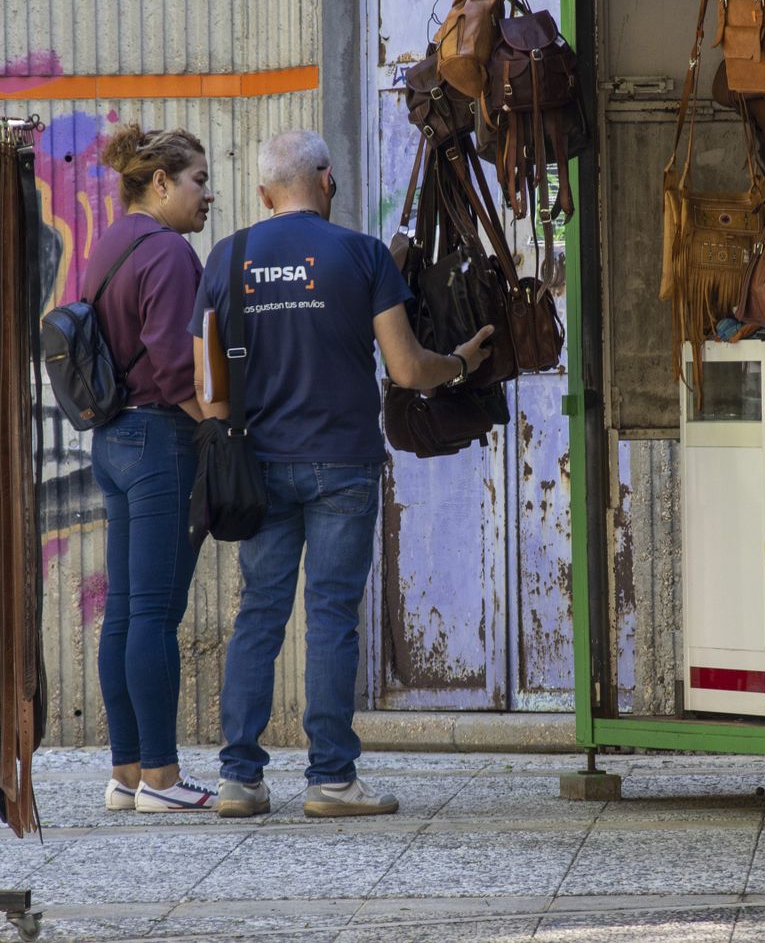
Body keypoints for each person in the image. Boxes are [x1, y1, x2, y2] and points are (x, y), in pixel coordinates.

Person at [190, 129, 493, 819]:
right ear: (326, 180)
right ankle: (330, 781)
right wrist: (462, 363)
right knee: (330, 616)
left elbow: (206, 384)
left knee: (259, 613)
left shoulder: (227, 256)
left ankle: (239, 780)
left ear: (264, 193)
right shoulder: (361, 254)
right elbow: (408, 369)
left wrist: (233, 440)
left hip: (258, 466)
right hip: (344, 464)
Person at [89, 126, 220, 813]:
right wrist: (219, 431)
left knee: (124, 611)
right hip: (160, 440)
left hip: (112, 439)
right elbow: (176, 367)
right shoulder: (168, 252)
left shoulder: (110, 243)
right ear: (161, 182)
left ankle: (128, 772)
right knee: (155, 616)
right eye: (198, 179)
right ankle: (162, 781)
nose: (208, 194)